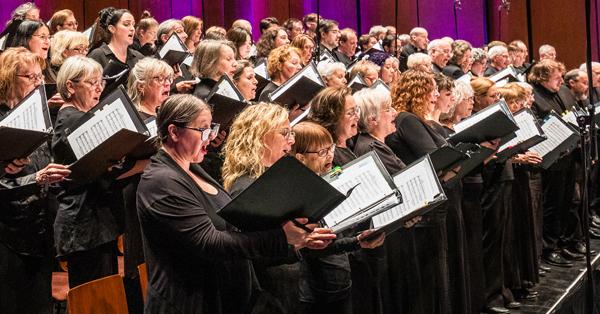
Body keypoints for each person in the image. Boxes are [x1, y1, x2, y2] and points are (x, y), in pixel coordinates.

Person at [137, 95, 334, 314]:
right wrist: (282, 237)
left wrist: (297, 242)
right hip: (187, 303)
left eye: (211, 128)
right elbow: (208, 242)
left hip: (222, 297)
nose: (210, 138)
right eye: (203, 129)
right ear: (174, 132)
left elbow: (233, 230)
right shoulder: (160, 181)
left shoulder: (190, 167)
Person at [51, 56, 138, 287]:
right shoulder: (73, 120)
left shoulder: (77, 117)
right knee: (93, 299)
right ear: (70, 86)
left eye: (101, 82)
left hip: (94, 224)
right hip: (84, 224)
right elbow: (102, 171)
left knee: (102, 297)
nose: (99, 88)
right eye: (92, 83)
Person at [0, 47, 71, 314]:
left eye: (40, 76)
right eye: (29, 76)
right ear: (8, 78)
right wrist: (36, 177)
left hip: (39, 226)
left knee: (40, 300)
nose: (38, 82)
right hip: (8, 232)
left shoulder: (38, 115)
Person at [290, 121, 386, 314]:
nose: (331, 155)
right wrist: (356, 242)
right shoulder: (298, 195)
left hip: (339, 280)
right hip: (318, 291)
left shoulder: (325, 182)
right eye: (322, 152)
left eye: (331, 148)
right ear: (300, 158)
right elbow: (314, 247)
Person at [385, 69, 452, 313]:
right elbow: (433, 155)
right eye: (431, 89)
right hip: (423, 208)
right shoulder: (407, 119)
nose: (435, 94)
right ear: (417, 92)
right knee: (427, 275)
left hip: (431, 205)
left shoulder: (415, 119)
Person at [529, 59, 582, 268]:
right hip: (552, 160)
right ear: (542, 78)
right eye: (557, 77)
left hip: (568, 155)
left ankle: (561, 242)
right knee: (553, 204)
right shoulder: (536, 97)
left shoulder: (560, 92)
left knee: (566, 202)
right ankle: (549, 247)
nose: (561, 80)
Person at [258, 45, 304, 118]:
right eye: (294, 63)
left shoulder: (294, 88)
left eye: (299, 63)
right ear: (279, 65)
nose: (300, 67)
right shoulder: (268, 93)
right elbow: (267, 125)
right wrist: (290, 118)